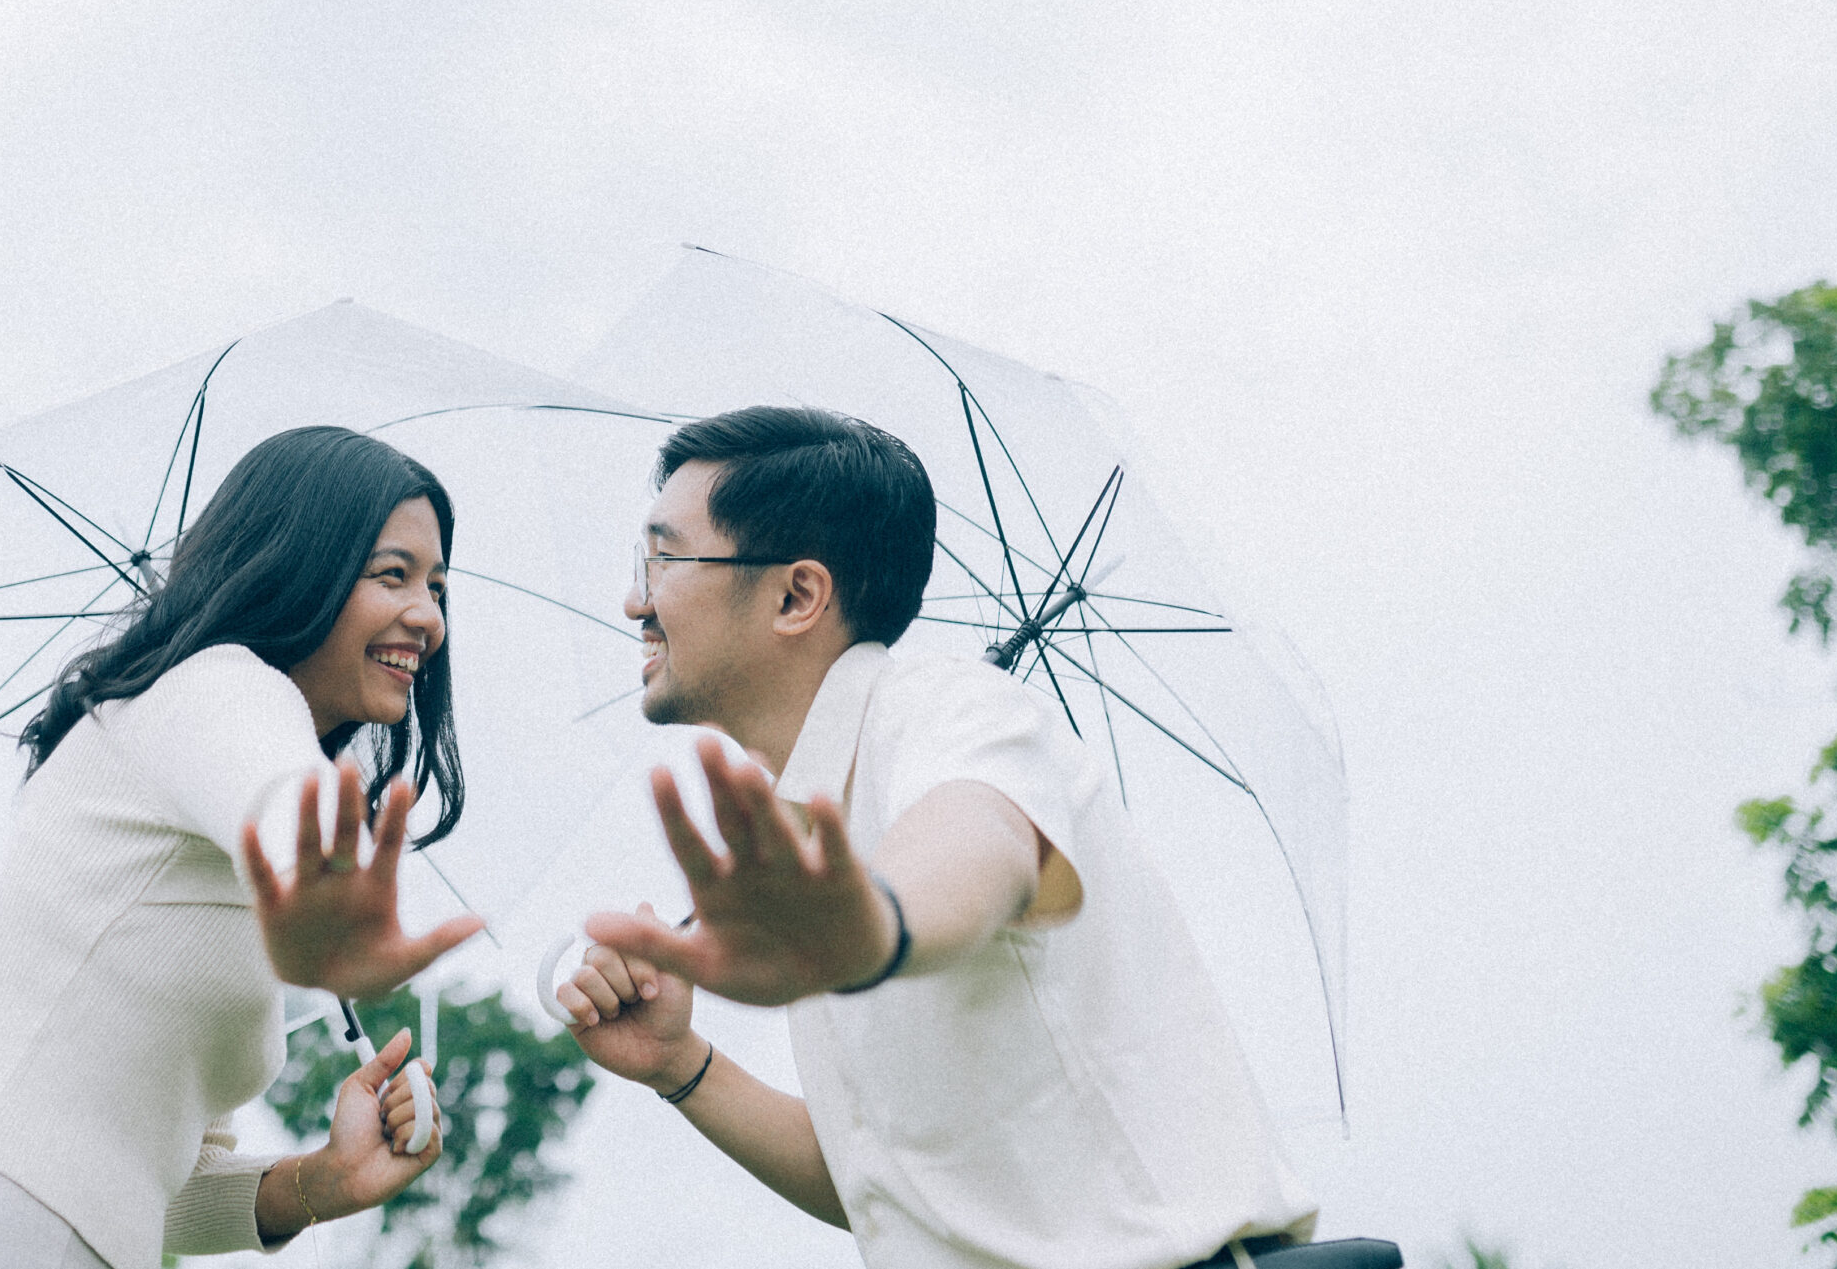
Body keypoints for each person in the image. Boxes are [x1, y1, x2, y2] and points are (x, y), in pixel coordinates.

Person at [557, 406, 1320, 1269]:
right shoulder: (813, 826)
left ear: (796, 596)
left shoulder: (948, 706)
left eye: (663, 559)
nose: (635, 600)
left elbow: (982, 839)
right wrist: (679, 1063)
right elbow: (891, 1190)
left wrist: (875, 923)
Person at [0, 425, 474, 1269]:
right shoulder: (219, 686)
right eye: (392, 574)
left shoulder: (217, 790)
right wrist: (326, 905)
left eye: (437, 585)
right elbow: (284, 808)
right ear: (302, 567)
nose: (428, 616)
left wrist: (321, 1182)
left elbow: (157, 1185)